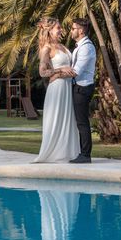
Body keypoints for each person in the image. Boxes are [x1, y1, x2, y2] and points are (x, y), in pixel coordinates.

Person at [33, 17, 80, 163]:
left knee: (68, 120)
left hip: (67, 87)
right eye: (58, 28)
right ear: (49, 30)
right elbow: (42, 72)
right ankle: (54, 153)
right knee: (56, 120)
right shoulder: (46, 48)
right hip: (57, 89)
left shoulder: (62, 46)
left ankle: (68, 153)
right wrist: (60, 70)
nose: (61, 30)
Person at [69, 18, 96, 164]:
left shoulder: (86, 47)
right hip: (78, 87)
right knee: (80, 121)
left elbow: (76, 71)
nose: (71, 31)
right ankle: (82, 152)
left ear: (81, 30)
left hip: (82, 88)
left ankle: (85, 155)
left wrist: (55, 72)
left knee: (82, 122)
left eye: (73, 28)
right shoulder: (80, 46)